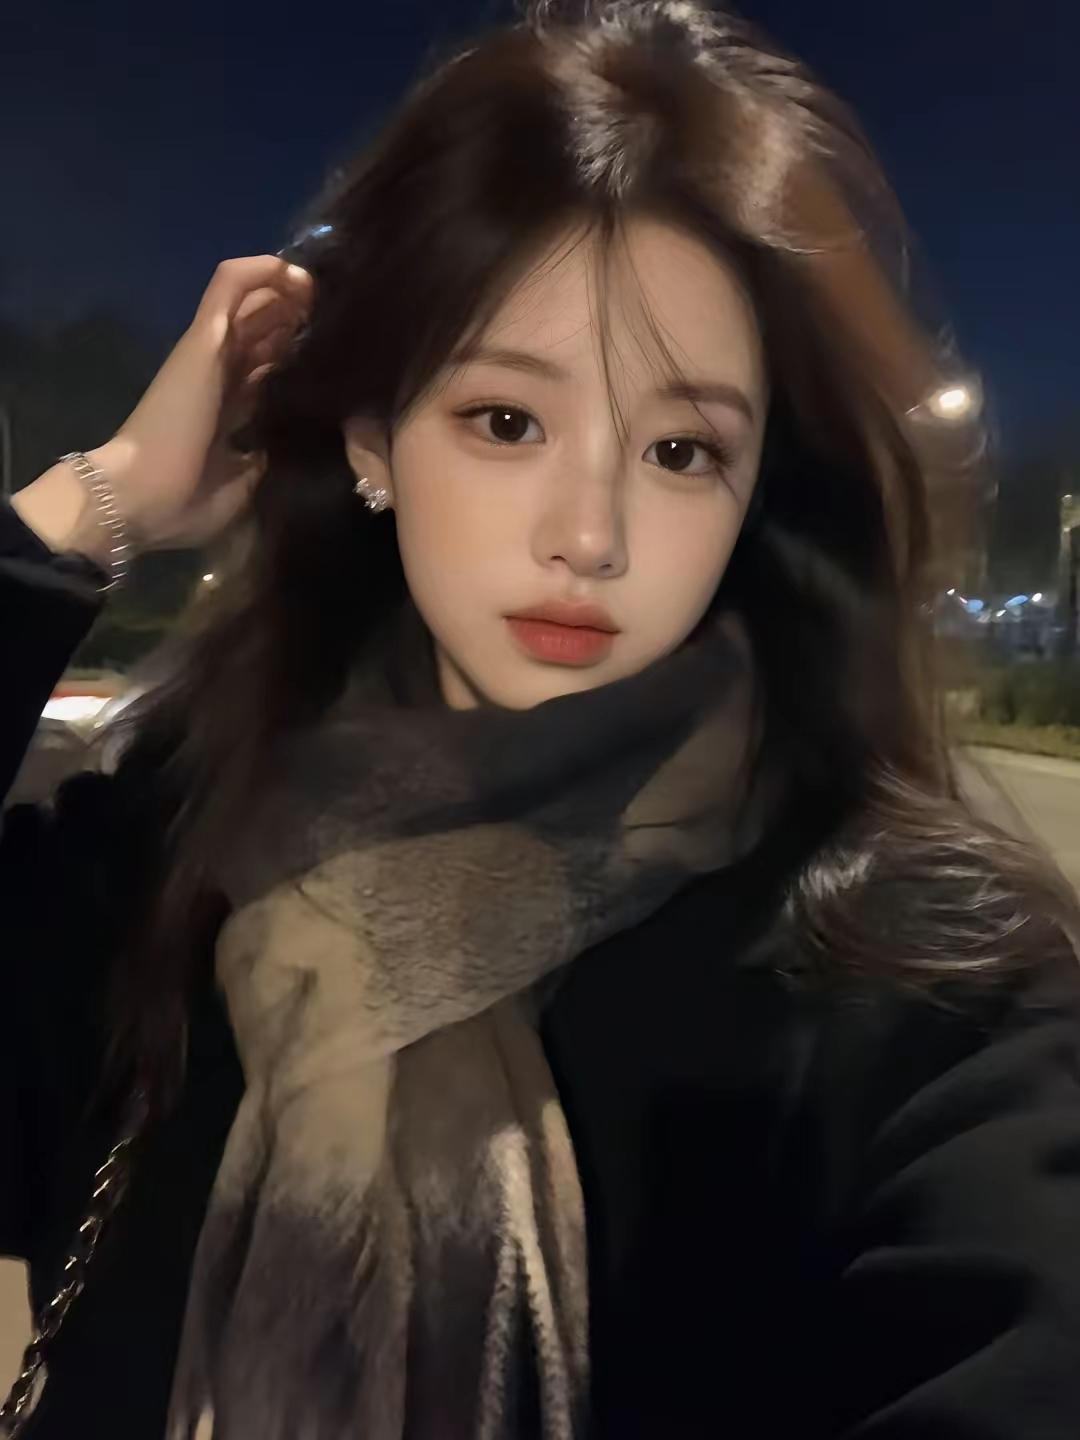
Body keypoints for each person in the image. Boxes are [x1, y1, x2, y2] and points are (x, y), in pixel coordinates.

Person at [2, 2, 1080, 1436]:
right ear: (376, 438)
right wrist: (96, 502)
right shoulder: (162, 861)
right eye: (507, 421)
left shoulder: (914, 983)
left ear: (759, 485)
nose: (590, 535)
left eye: (681, 449)